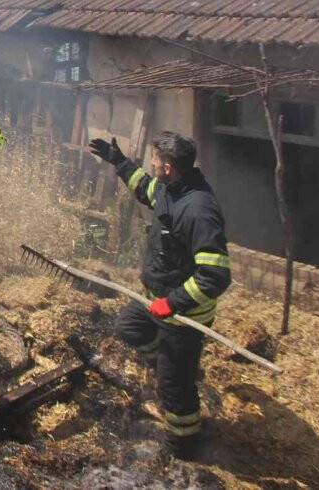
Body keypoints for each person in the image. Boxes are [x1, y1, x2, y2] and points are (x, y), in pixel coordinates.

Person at [90, 131, 231, 460]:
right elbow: (145, 189)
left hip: (184, 316)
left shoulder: (199, 211)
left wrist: (173, 303)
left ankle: (183, 446)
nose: (151, 164)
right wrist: (120, 162)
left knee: (175, 389)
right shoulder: (170, 189)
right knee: (129, 326)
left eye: (154, 160)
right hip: (154, 298)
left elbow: (215, 275)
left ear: (168, 167)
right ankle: (163, 363)